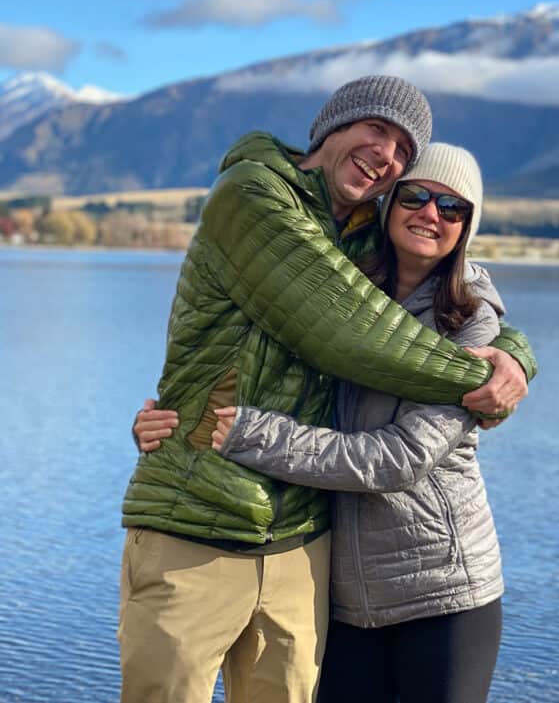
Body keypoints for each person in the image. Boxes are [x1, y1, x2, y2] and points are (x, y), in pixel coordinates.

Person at [119, 77, 536, 703]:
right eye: (378, 130)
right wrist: (482, 379)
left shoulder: (367, 238)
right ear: (331, 127)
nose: (387, 155)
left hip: (305, 547)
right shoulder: (254, 196)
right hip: (197, 520)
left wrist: (516, 355)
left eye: (403, 149)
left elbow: (461, 289)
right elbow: (352, 332)